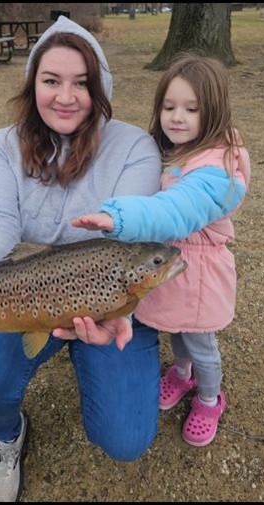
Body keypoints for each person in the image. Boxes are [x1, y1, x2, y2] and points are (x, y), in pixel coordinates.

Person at [0, 16, 163, 502]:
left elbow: (129, 232)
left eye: (81, 83)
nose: (66, 96)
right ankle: (8, 434)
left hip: (110, 307)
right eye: (51, 81)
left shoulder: (134, 147)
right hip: (23, 294)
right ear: (33, 84)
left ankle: (91, 349)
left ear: (100, 87)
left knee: (125, 441)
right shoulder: (0, 146)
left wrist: (118, 310)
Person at [73, 54, 251, 448]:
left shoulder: (221, 170)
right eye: (169, 107)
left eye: (191, 109)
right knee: (175, 334)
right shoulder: (173, 152)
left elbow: (175, 211)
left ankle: (209, 397)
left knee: (201, 343)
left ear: (215, 113)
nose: (177, 117)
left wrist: (118, 218)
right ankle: (182, 374)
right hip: (171, 271)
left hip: (200, 277)